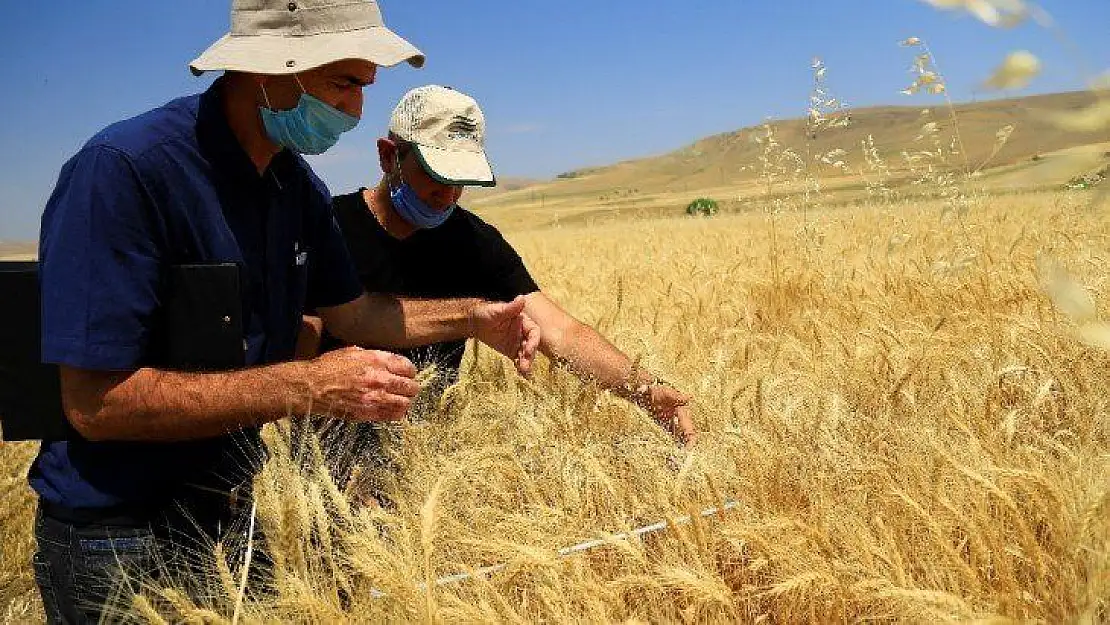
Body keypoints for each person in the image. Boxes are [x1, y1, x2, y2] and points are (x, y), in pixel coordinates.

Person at [31, 4, 539, 623]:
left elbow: (352, 313)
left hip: (235, 513)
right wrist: (305, 386)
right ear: (270, 70)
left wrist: (474, 319)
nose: (354, 111)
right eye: (343, 84)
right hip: (120, 538)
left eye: (364, 88)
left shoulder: (296, 188)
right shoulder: (127, 172)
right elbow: (93, 403)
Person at [305, 85, 697, 490]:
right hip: (320, 462)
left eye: (461, 180)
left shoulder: (475, 243)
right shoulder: (327, 228)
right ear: (389, 156)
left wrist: (646, 389)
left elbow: (561, 332)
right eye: (436, 176)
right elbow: (316, 336)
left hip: (422, 466)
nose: (448, 195)